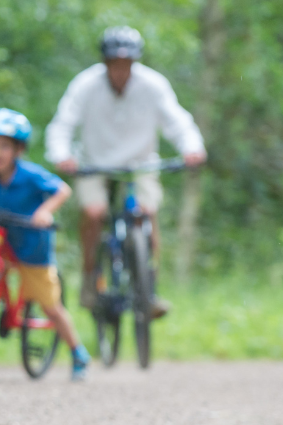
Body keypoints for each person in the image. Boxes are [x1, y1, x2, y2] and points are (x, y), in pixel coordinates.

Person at [45, 26, 207, 313]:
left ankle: (149, 286)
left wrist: (192, 148)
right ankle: (90, 276)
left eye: (126, 64)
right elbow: (63, 124)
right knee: (94, 213)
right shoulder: (85, 84)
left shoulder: (153, 85)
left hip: (141, 163)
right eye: (115, 64)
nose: (120, 70)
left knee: (147, 212)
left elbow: (177, 121)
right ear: (105, 63)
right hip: (94, 163)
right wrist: (62, 155)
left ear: (135, 62)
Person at [0, 108, 91, 380]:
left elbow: (62, 189)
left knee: (49, 304)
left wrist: (45, 211)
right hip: (0, 243)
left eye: (4, 146)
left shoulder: (30, 175)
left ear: (18, 149)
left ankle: (78, 352)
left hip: (32, 249)